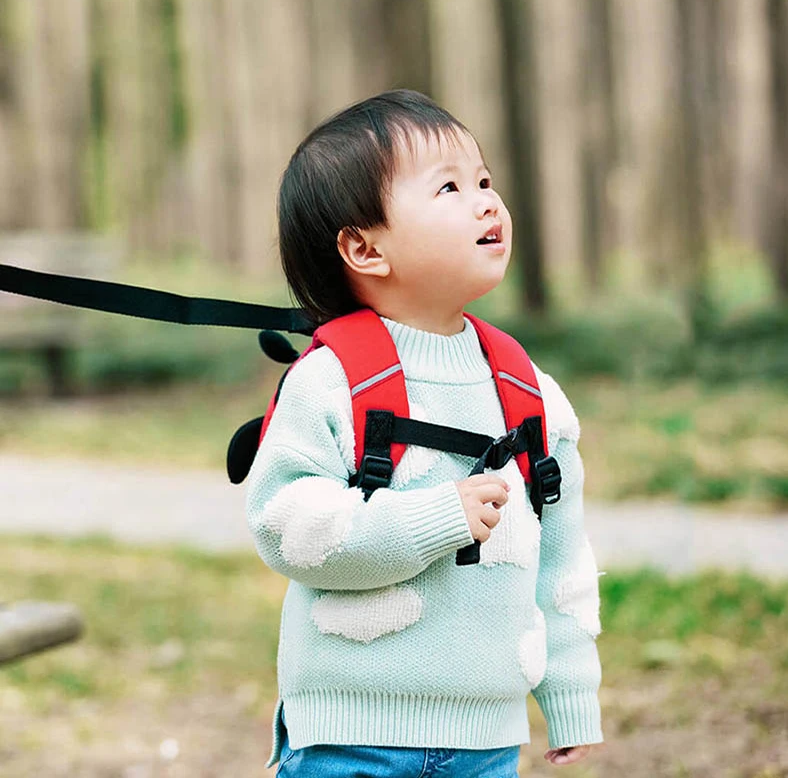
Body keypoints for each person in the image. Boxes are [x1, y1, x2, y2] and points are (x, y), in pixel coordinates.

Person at [245, 89, 603, 777]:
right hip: (349, 737)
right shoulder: (331, 380)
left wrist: (571, 694)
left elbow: (562, 561)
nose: (486, 201)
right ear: (363, 247)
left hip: (486, 742)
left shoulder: (528, 391)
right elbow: (285, 525)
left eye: (485, 180)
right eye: (448, 187)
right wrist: (434, 518)